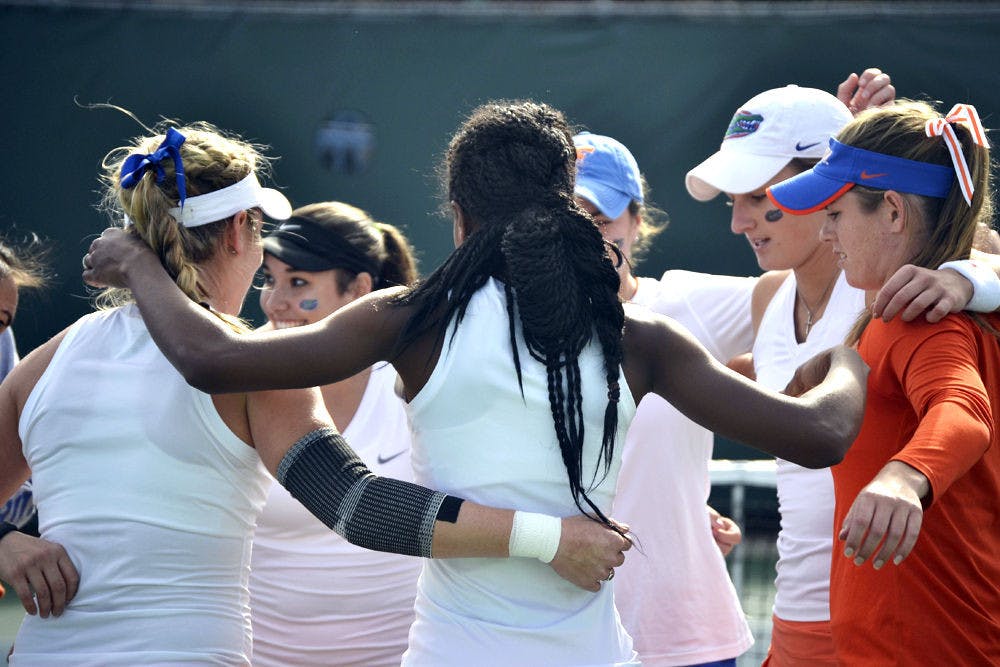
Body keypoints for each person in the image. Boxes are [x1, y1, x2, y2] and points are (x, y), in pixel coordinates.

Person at [82, 100, 869, 666]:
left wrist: (137, 263)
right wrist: (847, 356)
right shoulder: (640, 340)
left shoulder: (410, 318)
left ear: (458, 218)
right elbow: (822, 432)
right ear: (566, 207)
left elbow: (210, 358)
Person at [0, 120, 632, 665]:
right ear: (239, 232)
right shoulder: (260, 378)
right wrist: (549, 539)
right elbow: (356, 506)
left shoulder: (43, 367)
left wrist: (5, 544)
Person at [767, 100, 1000, 665]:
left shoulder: (922, 317)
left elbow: (963, 409)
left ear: (893, 212)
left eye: (838, 213)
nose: (825, 232)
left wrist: (902, 477)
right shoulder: (937, 306)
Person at [574, 131, 756, 667]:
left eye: (601, 218)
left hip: (683, 634)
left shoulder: (683, 302)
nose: (586, 235)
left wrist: (846, 165)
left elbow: (824, 286)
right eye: (569, 215)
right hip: (555, 635)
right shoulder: (503, 324)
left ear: (636, 220)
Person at [249, 202, 423, 666]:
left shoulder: (416, 383)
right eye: (269, 278)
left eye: (299, 282)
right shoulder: (236, 373)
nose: (275, 302)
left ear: (359, 289)